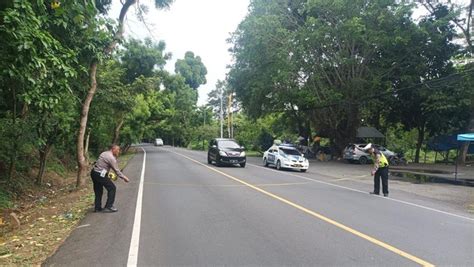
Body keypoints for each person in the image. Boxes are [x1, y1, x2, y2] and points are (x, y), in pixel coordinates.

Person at [90, 144, 130, 212]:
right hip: (100, 174)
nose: (118, 151)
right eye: (117, 150)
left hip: (94, 173)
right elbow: (116, 170)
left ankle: (97, 208)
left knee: (98, 191)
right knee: (112, 188)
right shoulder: (111, 158)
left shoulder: (104, 153)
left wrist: (107, 174)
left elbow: (101, 165)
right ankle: (109, 206)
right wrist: (124, 178)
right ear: (113, 149)